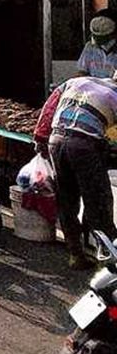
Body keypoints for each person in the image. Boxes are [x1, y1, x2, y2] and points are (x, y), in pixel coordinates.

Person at [35, 74, 117, 269]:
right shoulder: (114, 94)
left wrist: (40, 137)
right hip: (84, 145)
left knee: (67, 199)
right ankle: (108, 259)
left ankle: (75, 254)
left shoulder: (76, 82)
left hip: (56, 141)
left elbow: (49, 109)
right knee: (98, 201)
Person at [78, 14, 117, 78]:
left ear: (110, 36)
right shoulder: (89, 47)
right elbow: (82, 71)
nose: (95, 39)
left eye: (100, 37)